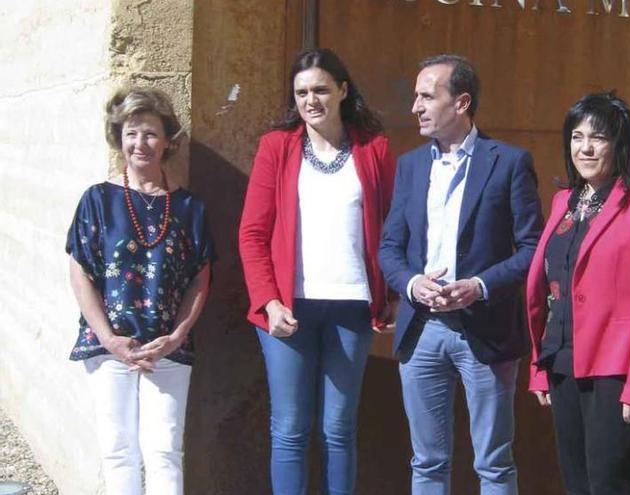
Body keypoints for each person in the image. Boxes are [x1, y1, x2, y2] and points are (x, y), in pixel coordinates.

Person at [379, 54, 543, 495]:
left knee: (493, 462)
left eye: (427, 96)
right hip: (422, 329)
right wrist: (413, 284)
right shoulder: (411, 166)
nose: (415, 106)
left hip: (485, 329)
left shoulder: (508, 163)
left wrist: (480, 286)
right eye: (416, 96)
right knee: (427, 461)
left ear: (462, 102)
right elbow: (390, 248)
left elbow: (533, 249)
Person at [238, 48, 396, 495]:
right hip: (288, 308)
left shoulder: (374, 148)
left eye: (321, 89)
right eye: (302, 91)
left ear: (343, 91)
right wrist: (268, 301)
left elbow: (391, 226)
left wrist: (392, 292)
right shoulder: (277, 147)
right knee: (289, 428)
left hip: (352, 307)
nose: (311, 100)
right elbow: (252, 233)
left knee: (338, 429)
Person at [525, 92, 630, 495]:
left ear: (620, 143)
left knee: (609, 485)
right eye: (577, 137)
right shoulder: (565, 201)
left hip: (616, 370)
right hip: (562, 364)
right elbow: (551, 288)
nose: (586, 148)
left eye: (598, 137)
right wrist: (539, 367)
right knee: (576, 484)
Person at [67, 87, 214, 495]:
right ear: (118, 138)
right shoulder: (97, 200)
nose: (140, 144)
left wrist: (178, 335)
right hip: (109, 345)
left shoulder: (188, 208)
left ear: (168, 140)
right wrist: (110, 339)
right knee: (118, 452)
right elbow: (80, 273)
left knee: (164, 451)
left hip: (167, 348)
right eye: (131, 133)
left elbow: (200, 277)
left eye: (150, 133)